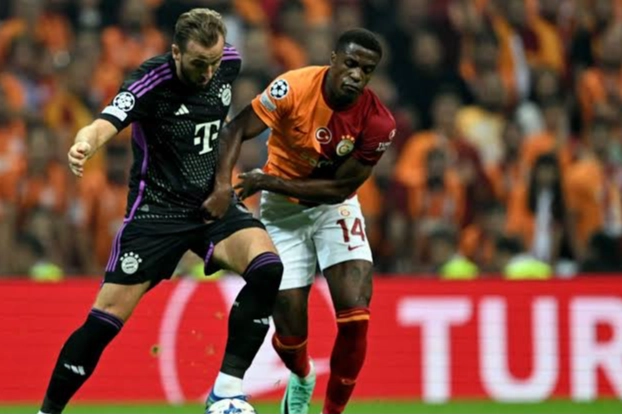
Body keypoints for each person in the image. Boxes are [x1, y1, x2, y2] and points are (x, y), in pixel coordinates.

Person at [38, 9, 283, 414]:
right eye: (199, 63)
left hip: (210, 204)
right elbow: (105, 121)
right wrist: (85, 144)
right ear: (176, 52)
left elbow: (223, 128)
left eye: (214, 62)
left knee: (268, 268)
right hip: (157, 213)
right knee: (104, 320)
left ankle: (226, 391)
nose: (208, 73)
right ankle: (47, 412)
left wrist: (223, 183)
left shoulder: (229, 62)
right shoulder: (150, 81)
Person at [203, 28, 396, 415]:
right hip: (282, 212)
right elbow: (236, 129)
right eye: (351, 64)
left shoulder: (378, 122)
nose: (357, 75)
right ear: (334, 60)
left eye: (366, 70)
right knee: (291, 334)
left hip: (333, 208)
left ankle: (332, 412)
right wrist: (222, 186)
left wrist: (267, 181)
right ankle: (303, 375)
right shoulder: (292, 88)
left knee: (356, 317)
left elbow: (339, 189)